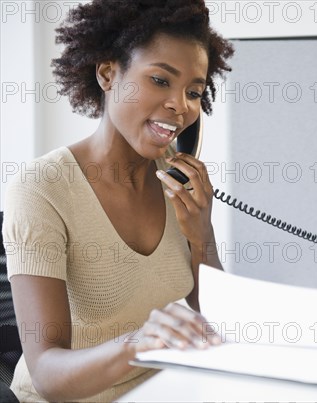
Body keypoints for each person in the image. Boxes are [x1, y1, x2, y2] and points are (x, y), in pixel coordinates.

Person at [1, 0, 234, 400]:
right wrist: (138, 343)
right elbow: (47, 375)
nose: (180, 106)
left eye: (194, 92)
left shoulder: (175, 181)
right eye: (161, 80)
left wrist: (201, 234)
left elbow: (219, 319)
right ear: (109, 74)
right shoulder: (42, 188)